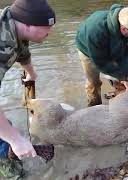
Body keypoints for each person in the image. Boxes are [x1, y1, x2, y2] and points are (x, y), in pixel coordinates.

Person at [0, 0, 56, 160]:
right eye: (47, 27)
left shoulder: (14, 27)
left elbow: (22, 52)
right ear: (28, 25)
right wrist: (15, 139)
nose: (50, 32)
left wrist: (30, 73)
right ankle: (10, 170)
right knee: (6, 138)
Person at [76, 4, 128, 107]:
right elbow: (101, 64)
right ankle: (94, 107)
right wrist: (127, 75)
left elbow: (127, 55)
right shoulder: (96, 31)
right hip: (88, 50)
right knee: (94, 83)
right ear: (124, 29)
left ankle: (119, 98)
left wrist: (126, 75)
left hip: (113, 43)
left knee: (122, 79)